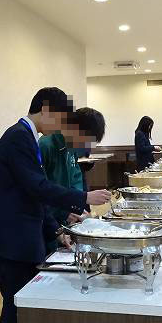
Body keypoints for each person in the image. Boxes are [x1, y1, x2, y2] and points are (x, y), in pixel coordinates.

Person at [0, 87, 111, 323]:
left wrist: (56, 229)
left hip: (24, 241)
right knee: (15, 316)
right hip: (12, 245)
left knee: (24, 316)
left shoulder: (26, 137)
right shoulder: (17, 137)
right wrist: (83, 197)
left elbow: (34, 197)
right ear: (47, 110)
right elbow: (38, 187)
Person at [39, 107, 106, 252]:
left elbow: (76, 181)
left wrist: (79, 208)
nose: (86, 148)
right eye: (86, 142)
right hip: (47, 224)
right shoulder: (46, 146)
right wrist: (63, 212)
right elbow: (40, 192)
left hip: (66, 224)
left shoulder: (72, 150)